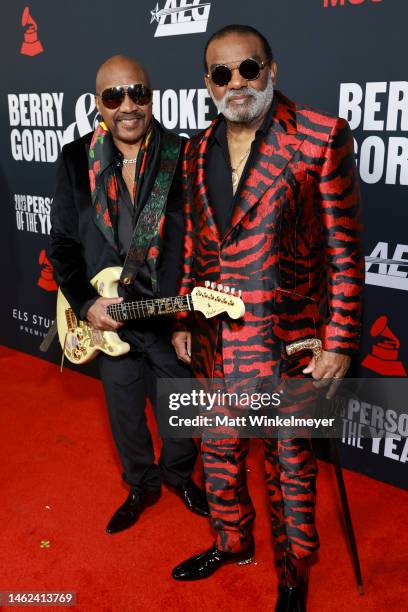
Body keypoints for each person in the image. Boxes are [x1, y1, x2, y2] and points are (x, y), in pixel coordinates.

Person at [171, 25, 364, 611]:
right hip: (212, 339)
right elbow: (194, 247)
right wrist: (181, 315)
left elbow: (344, 250)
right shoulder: (196, 147)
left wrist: (339, 339)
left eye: (248, 69)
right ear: (208, 83)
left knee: (290, 466)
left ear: (271, 70)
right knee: (219, 450)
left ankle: (292, 573)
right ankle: (231, 541)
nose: (237, 83)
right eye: (222, 74)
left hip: (287, 340)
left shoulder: (319, 136)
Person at [50, 55, 209, 535]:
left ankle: (179, 476)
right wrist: (86, 304)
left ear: (151, 96)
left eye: (137, 92)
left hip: (165, 317)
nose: (127, 106)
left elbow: (202, 242)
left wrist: (185, 317)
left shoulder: (182, 155)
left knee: (182, 414)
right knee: (124, 417)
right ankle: (141, 483)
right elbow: (62, 245)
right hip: (106, 317)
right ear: (98, 104)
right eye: (113, 96)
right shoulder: (76, 158)